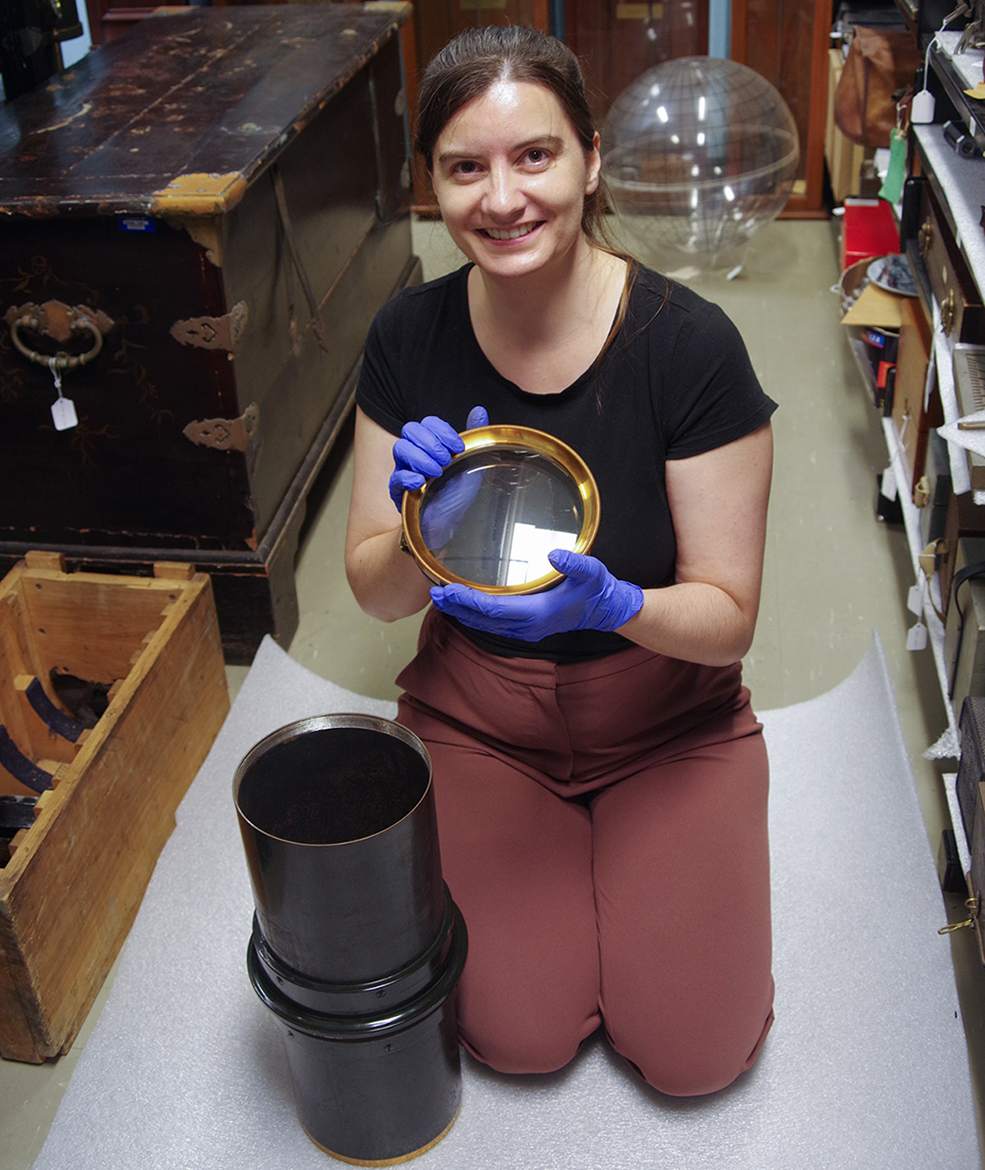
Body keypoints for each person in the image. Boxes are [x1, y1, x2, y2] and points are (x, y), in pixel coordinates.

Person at [345, 25, 776, 1097]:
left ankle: (645, 868)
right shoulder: (407, 338)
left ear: (589, 158)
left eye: (533, 155)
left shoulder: (689, 345)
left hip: (668, 718)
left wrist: (621, 606)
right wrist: (413, 519)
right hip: (480, 715)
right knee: (515, 1038)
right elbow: (374, 591)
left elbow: (727, 617)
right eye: (465, 168)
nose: (501, 199)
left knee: (694, 1059)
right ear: (432, 186)